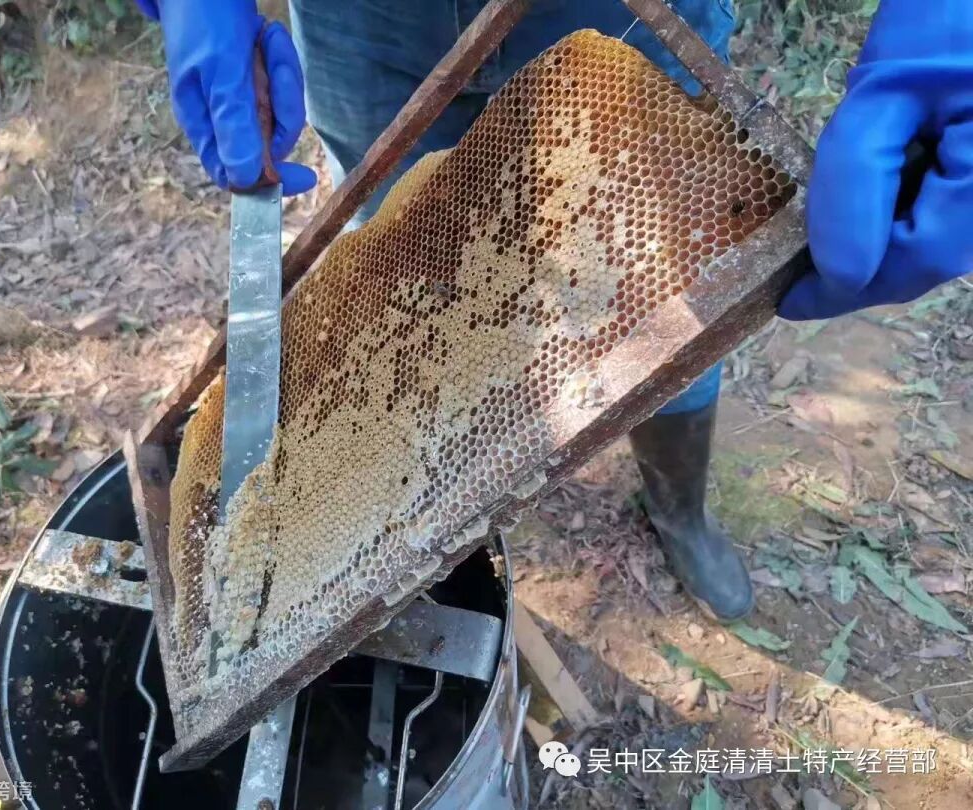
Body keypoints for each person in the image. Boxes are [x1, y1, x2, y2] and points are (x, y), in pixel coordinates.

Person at [133, 0, 972, 623]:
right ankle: (414, 481)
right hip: (366, 20)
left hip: (620, 8)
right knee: (406, 288)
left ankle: (678, 508)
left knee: (666, 296)